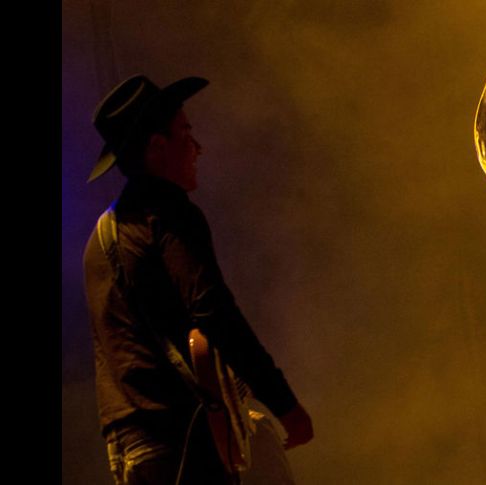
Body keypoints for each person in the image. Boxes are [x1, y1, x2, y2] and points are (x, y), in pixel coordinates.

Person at [83, 74, 314, 485]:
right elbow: (213, 310)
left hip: (130, 447)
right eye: (186, 133)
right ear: (158, 148)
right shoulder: (168, 213)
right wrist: (284, 404)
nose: (197, 147)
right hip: (183, 442)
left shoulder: (101, 238)